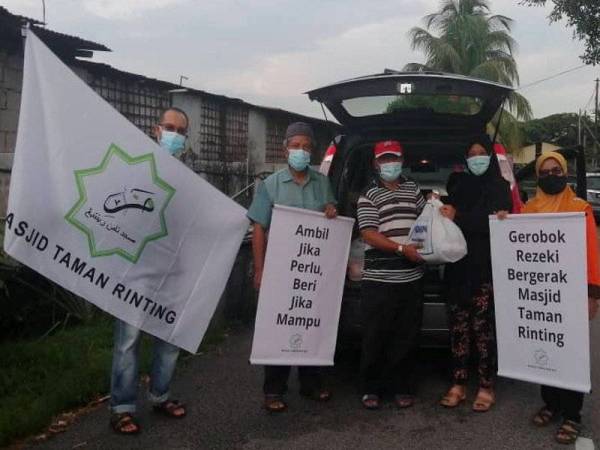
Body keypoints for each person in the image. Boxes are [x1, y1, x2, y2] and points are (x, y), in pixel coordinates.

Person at [247, 122, 338, 412]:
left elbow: (331, 218)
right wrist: (259, 270)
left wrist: (331, 211)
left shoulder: (322, 183)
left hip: (310, 272)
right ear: (285, 148)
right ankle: (273, 389)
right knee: (279, 326)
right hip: (279, 270)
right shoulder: (271, 184)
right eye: (296, 146)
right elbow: (259, 228)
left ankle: (310, 384)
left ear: (313, 152)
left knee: (309, 323)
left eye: (307, 147)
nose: (301, 151)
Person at [109, 107, 189, 435]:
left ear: (185, 137)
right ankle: (122, 407)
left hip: (172, 270)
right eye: (168, 127)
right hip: (134, 268)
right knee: (128, 339)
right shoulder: (137, 166)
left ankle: (161, 395)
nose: (173, 133)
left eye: (179, 130)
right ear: (156, 130)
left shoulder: (189, 178)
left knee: (169, 338)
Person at [524, 152, 600, 445]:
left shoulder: (580, 208)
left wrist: (592, 295)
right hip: (542, 296)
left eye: (557, 170)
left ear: (566, 173)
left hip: (572, 294)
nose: (551, 175)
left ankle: (572, 414)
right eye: (545, 172)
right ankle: (552, 403)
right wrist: (505, 220)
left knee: (571, 355)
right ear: (538, 177)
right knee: (547, 348)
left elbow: (592, 253)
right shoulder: (529, 210)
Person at [438, 136, 511, 412]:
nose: (477, 157)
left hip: (486, 269)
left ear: (490, 157)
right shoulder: (458, 184)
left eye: (482, 153)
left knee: (483, 331)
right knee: (458, 330)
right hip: (457, 268)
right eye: (471, 153)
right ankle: (457, 383)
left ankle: (485, 386)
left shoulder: (500, 187)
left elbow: (492, 223)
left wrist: (458, 216)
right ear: (465, 159)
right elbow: (450, 213)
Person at [356, 140, 425, 410]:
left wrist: (437, 210)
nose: (389, 164)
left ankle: (402, 387)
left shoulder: (413, 188)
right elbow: (368, 233)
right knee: (375, 336)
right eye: (384, 160)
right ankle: (371, 388)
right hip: (379, 280)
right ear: (376, 163)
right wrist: (400, 248)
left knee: (405, 337)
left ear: (402, 159)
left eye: (393, 158)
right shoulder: (368, 195)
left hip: (412, 278)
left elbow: (423, 221)